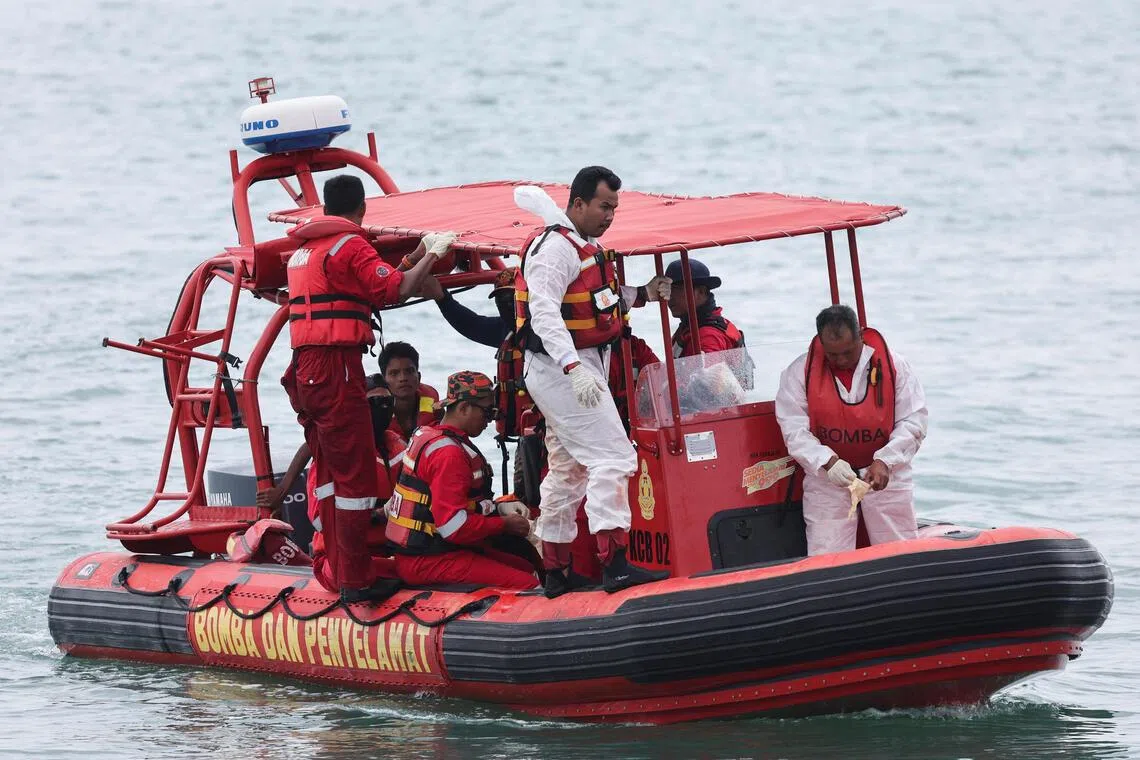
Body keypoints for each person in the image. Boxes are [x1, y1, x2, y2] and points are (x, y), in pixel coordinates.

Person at [280, 173, 456, 601]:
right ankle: (356, 581)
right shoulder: (350, 245)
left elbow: (368, 284)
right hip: (336, 366)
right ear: (362, 209)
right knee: (355, 479)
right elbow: (393, 289)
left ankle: (342, 569)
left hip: (305, 371)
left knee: (331, 477)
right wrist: (431, 256)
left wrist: (415, 253)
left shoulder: (307, 250)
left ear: (325, 208)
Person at [512, 166, 672, 597]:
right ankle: (615, 564)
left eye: (615, 208)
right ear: (578, 203)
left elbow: (600, 301)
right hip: (562, 368)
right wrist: (573, 368)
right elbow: (544, 311)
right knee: (615, 457)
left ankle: (556, 572)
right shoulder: (556, 250)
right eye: (604, 206)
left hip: (574, 365)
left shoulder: (585, 246)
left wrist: (643, 294)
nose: (610, 215)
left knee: (568, 466)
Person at [774, 304, 928, 556]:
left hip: (886, 474)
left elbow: (914, 421)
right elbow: (793, 430)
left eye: (848, 352)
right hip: (828, 478)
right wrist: (827, 461)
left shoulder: (894, 366)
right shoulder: (798, 374)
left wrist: (885, 461)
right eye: (833, 355)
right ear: (821, 344)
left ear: (860, 337)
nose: (842, 360)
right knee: (826, 554)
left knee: (899, 551)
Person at [384, 371, 539, 589]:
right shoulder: (449, 454)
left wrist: (498, 508)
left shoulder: (431, 434)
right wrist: (504, 524)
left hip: (433, 550)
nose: (490, 421)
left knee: (524, 565)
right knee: (527, 584)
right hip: (428, 559)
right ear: (464, 408)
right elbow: (451, 526)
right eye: (487, 413)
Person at [665, 258, 745, 358]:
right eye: (667, 291)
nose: (669, 296)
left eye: (676, 289)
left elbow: (710, 373)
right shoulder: (691, 327)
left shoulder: (708, 336)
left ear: (701, 292)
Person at [377, 341, 441, 439]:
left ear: (419, 377)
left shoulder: (434, 403)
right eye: (394, 373)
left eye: (409, 371)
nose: (403, 378)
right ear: (383, 380)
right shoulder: (374, 411)